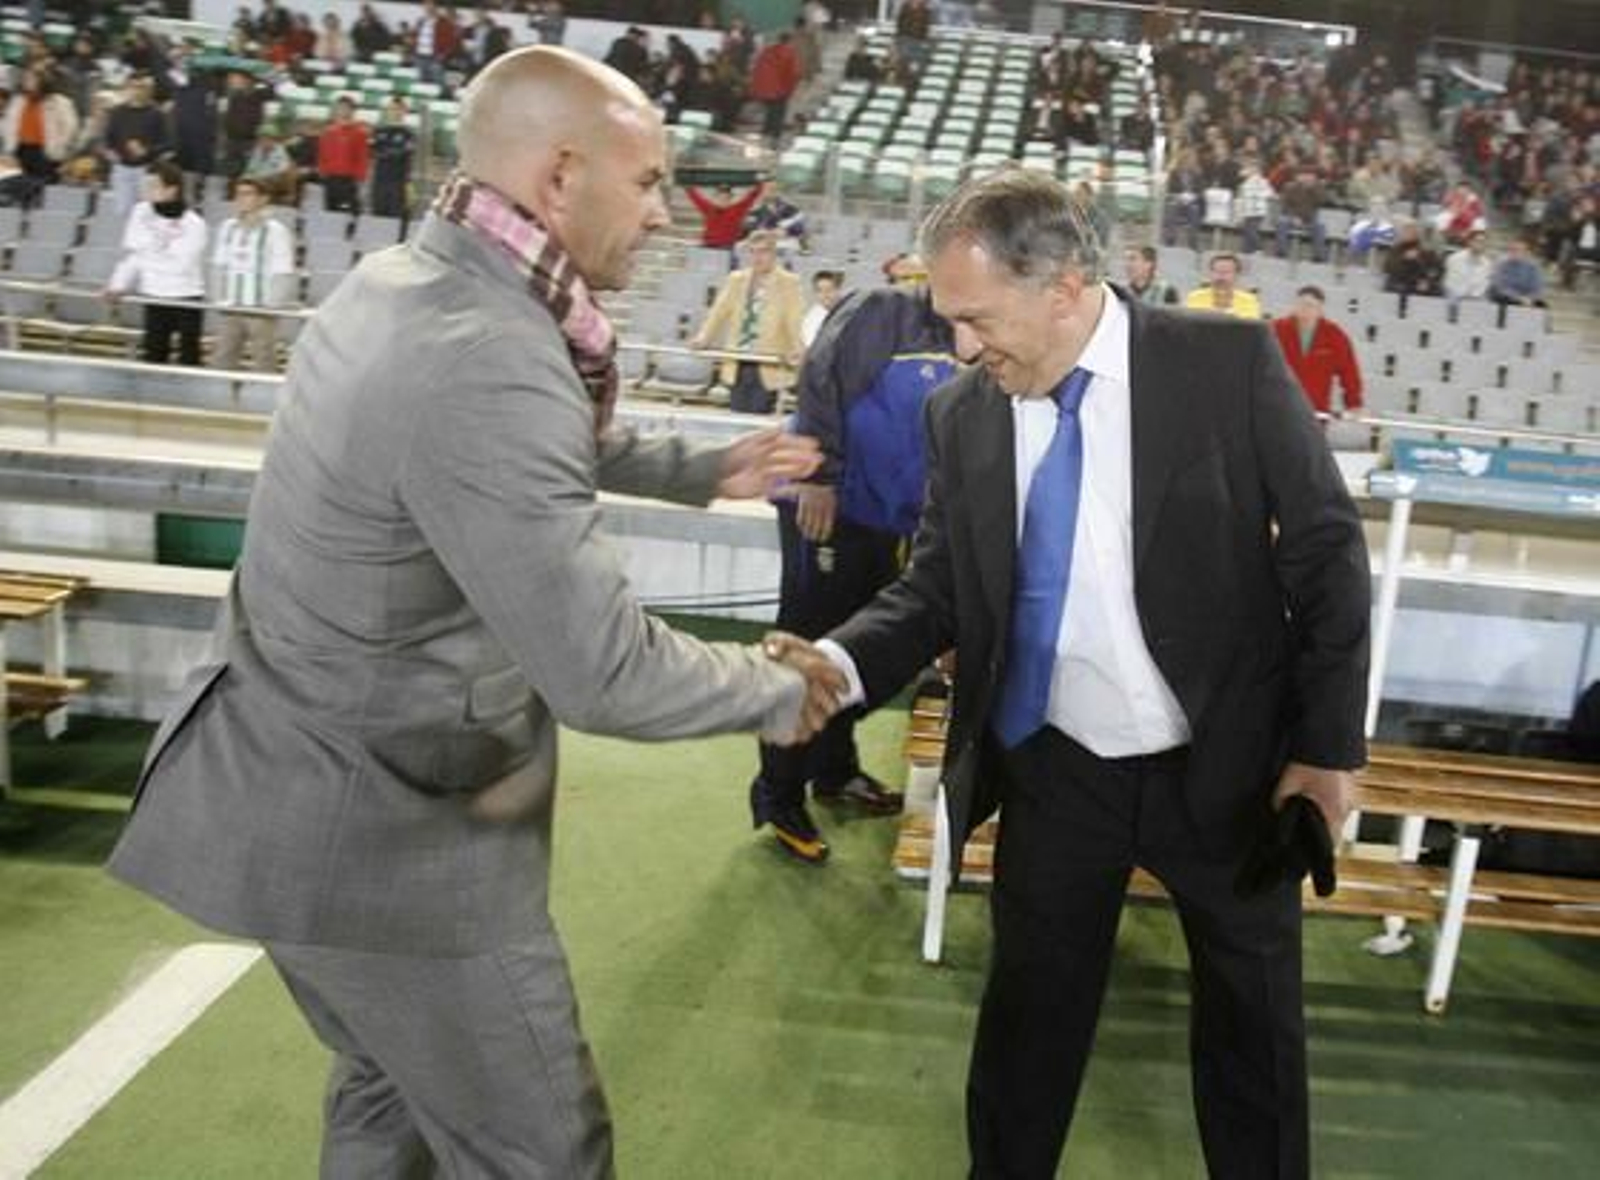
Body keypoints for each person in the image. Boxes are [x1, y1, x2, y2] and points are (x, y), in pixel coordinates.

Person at [106, 46, 839, 1178]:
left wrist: (694, 469)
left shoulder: (408, 278)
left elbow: (487, 453)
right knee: (542, 1149)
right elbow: (603, 669)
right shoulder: (494, 353)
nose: (663, 217)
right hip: (386, 843)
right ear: (558, 178)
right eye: (645, 184)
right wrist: (781, 689)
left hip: (294, 785)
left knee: (386, 1101)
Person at [774, 167, 1370, 1178]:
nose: (960, 346)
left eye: (976, 317)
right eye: (947, 317)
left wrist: (1324, 749)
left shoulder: (1224, 361)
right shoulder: (961, 414)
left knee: (1252, 1036)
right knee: (1025, 1031)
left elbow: (1323, 549)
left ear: (1062, 285)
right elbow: (938, 591)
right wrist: (834, 663)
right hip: (1056, 768)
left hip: (1224, 762)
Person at [750, 272, 957, 861]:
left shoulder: (968, 334)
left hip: (889, 519)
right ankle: (779, 793)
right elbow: (821, 379)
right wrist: (818, 476)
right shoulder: (880, 309)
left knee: (857, 646)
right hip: (829, 507)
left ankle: (835, 771)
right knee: (808, 643)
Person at [690, 229, 805, 414]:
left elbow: (794, 319)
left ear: (773, 253)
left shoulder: (789, 282)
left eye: (763, 251)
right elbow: (719, 311)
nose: (757, 257)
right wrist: (704, 337)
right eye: (753, 251)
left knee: (759, 416)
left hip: (769, 360)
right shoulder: (737, 279)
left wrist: (798, 349)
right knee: (736, 413)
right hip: (739, 358)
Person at [106, 160, 208, 366]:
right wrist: (118, 284)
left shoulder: (194, 224)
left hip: (185, 296)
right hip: (153, 295)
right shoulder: (140, 212)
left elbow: (180, 266)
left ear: (172, 190)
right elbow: (133, 255)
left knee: (189, 356)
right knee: (153, 353)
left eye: (154, 186)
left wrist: (148, 257)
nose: (147, 191)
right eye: (146, 185)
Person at [210, 176, 297, 373]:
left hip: (261, 311)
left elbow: (283, 271)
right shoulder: (227, 227)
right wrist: (218, 300)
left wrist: (271, 307)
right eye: (238, 194)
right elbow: (218, 265)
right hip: (231, 307)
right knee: (222, 359)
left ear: (262, 199)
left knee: (264, 361)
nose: (240, 199)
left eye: (247, 194)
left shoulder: (276, 231)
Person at [1272, 285, 1363, 415]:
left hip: (1315, 410)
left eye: (1310, 306)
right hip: (1279, 406)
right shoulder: (1277, 329)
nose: (1304, 309)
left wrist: (1353, 403)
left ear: (1320, 309)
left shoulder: (1335, 335)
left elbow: (1349, 371)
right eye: (1301, 304)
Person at [2, 67, 79, 184]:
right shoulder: (18, 100)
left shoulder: (59, 102)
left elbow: (70, 128)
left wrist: (59, 147)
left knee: (43, 187)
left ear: (42, 81)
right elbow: (8, 124)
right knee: (18, 186)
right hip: (20, 150)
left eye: (31, 78)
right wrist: (9, 148)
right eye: (26, 78)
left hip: (45, 152)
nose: (26, 81)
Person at [317, 96, 370, 213]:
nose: (342, 111)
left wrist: (360, 178)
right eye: (340, 108)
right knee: (330, 213)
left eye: (346, 108)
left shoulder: (359, 133)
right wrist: (323, 171)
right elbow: (322, 153)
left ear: (352, 111)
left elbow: (362, 157)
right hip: (330, 180)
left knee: (347, 214)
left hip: (348, 181)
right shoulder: (328, 132)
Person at [369, 95, 415, 220]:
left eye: (399, 109)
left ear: (404, 111)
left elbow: (403, 153)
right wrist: (390, 152)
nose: (395, 112)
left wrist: (386, 152)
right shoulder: (378, 130)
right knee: (377, 217)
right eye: (392, 109)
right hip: (380, 181)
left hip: (398, 183)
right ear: (387, 110)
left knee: (394, 220)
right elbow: (372, 151)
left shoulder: (408, 134)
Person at [685, 179, 765, 249]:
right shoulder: (709, 208)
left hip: (726, 247)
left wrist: (760, 184)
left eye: (726, 198)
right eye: (720, 197)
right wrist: (687, 186)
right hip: (708, 245)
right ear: (715, 198)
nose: (723, 200)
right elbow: (696, 198)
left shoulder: (737, 210)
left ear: (730, 199)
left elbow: (751, 197)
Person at [1185, 251, 1262, 318]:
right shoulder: (1195, 297)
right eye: (1217, 271)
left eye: (1226, 272)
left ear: (1236, 275)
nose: (1220, 276)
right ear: (1210, 274)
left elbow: (1249, 329)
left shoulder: (1249, 301)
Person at [1382, 220, 1443, 297]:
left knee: (1438, 290)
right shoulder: (1396, 249)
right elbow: (1389, 268)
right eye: (1406, 232)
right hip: (1402, 281)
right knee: (1392, 285)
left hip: (1421, 282)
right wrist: (1404, 259)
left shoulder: (1425, 249)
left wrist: (1428, 281)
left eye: (1412, 232)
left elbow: (1437, 269)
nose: (1408, 234)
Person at [1488, 235, 1548, 309]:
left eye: (1518, 250)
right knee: (1500, 296)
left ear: (1526, 252)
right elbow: (1500, 287)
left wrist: (1530, 298)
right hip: (1506, 299)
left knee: (1541, 305)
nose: (1514, 252)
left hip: (1526, 300)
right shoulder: (1502, 265)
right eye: (1512, 249)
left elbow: (1537, 288)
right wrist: (1519, 298)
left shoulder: (1533, 267)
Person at [1444, 228, 1494, 303]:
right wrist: (1465, 296)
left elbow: (1484, 286)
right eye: (1478, 241)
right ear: (1469, 242)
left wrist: (1476, 297)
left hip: (1476, 302)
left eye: (1483, 242)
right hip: (1456, 300)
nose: (1480, 244)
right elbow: (1450, 284)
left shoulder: (1487, 263)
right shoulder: (1455, 259)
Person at [801, 268, 843, 348]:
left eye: (829, 289)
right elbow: (812, 348)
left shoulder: (849, 312)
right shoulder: (811, 320)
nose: (825, 295)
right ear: (815, 293)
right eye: (820, 291)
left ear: (838, 290)